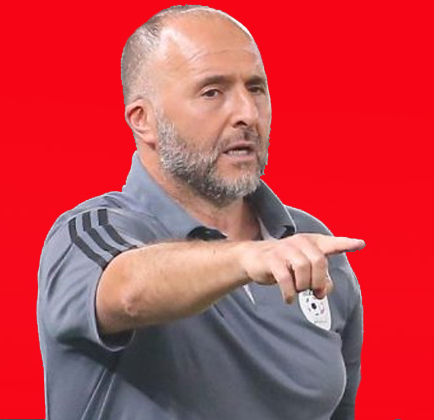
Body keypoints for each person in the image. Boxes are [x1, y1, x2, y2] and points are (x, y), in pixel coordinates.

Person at [35, 6, 367, 420]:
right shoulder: (88, 232)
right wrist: (246, 257)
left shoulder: (310, 242)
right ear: (144, 121)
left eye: (256, 88)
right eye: (212, 92)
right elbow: (128, 292)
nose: (247, 114)